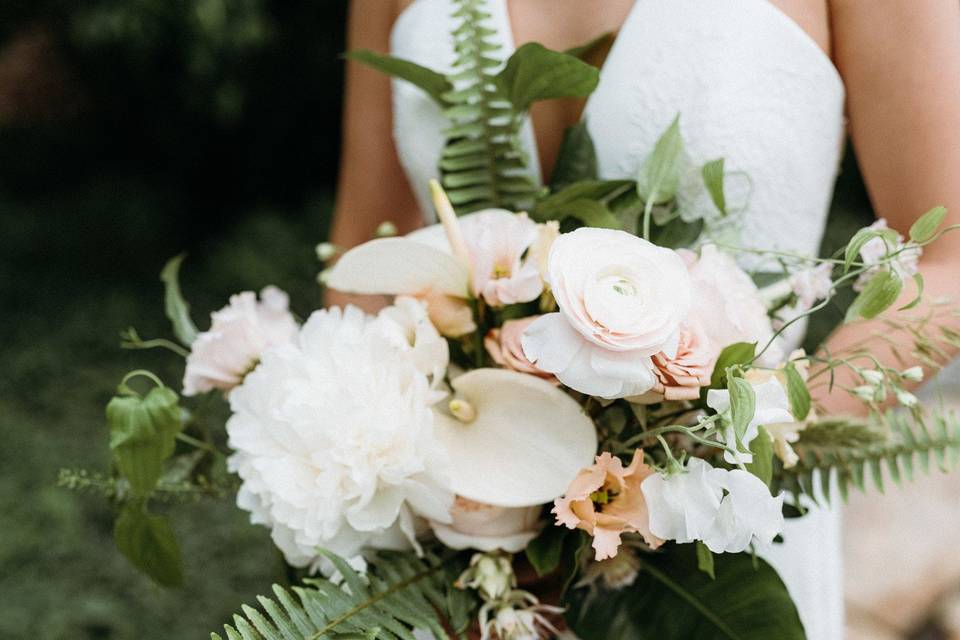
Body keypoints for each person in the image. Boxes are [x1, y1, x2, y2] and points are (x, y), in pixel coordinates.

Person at [328, 1, 960, 637]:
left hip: (710, 553)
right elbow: (363, 256)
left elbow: (949, 259)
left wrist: (719, 461)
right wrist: (402, 486)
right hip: (441, 562)